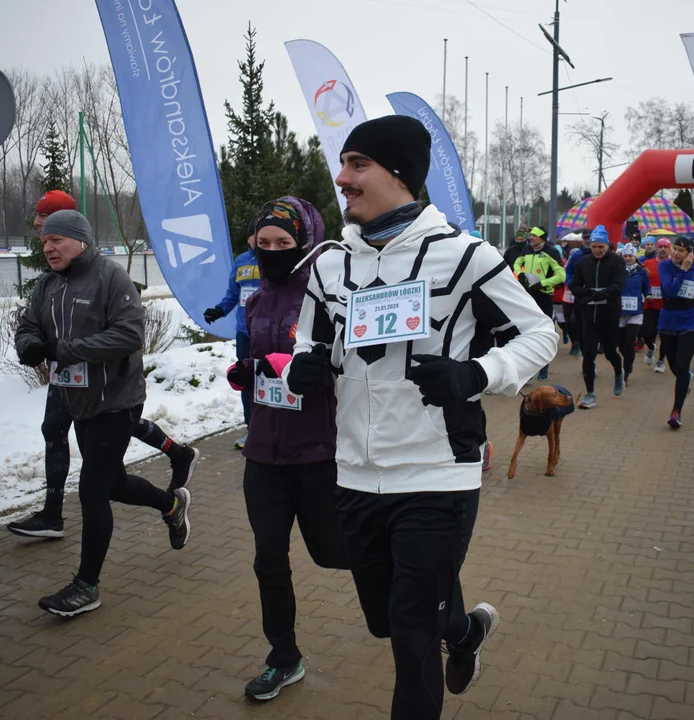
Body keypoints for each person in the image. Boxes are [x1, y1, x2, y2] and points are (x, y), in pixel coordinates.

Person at [283, 115, 558, 720]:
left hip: (438, 470)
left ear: (399, 174)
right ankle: (463, 632)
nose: (342, 177)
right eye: (345, 163)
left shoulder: (462, 256)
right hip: (356, 470)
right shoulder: (329, 265)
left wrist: (475, 374)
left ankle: (441, 634)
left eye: (358, 164)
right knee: (388, 620)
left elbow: (541, 334)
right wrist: (302, 369)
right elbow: (308, 344)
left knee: (410, 632)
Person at [15, 209, 192, 616]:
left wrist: (67, 349)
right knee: (112, 484)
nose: (49, 247)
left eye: (56, 239)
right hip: (78, 400)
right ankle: (171, 505)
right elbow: (29, 325)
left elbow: (130, 334)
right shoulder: (47, 286)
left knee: (93, 491)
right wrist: (28, 344)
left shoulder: (111, 278)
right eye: (44, 241)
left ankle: (86, 586)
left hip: (118, 401)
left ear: (80, 240)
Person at [224, 197, 348, 700]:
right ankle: (284, 657)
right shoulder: (255, 302)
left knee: (333, 552)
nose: (272, 251)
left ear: (308, 243)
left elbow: (359, 367)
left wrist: (325, 370)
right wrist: (247, 372)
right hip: (265, 455)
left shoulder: (331, 295)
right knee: (268, 559)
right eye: (264, 242)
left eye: (285, 243)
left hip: (318, 453)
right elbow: (256, 361)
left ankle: (422, 597)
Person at [204, 219, 261, 449]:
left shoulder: (275, 261)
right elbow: (232, 294)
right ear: (249, 238)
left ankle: (274, 428)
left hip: (268, 333)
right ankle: (251, 430)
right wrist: (219, 310)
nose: (259, 239)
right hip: (244, 333)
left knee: (270, 380)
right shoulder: (241, 262)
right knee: (245, 381)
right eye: (255, 235)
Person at [569, 224, 627, 409]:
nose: (597, 250)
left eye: (600, 247)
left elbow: (618, 286)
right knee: (588, 353)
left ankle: (618, 372)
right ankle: (590, 394)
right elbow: (574, 285)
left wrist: (598, 295)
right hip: (588, 315)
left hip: (609, 314)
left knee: (610, 352)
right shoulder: (583, 262)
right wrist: (586, 295)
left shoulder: (617, 262)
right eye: (594, 247)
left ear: (608, 246)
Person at [658, 235, 694, 429]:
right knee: (675, 368)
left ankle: (676, 411)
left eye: (681, 250)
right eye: (675, 249)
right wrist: (683, 270)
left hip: (690, 322)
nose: (677, 253)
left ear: (690, 253)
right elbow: (670, 291)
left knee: (682, 364)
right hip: (669, 321)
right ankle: (686, 377)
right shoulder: (665, 267)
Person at [514, 226, 566, 380]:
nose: (531, 238)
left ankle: (544, 365)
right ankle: (529, 369)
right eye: (531, 236)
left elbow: (561, 275)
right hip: (528, 296)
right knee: (526, 332)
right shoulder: (527, 249)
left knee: (543, 333)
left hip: (544, 296)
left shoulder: (551, 252)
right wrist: (521, 274)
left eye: (535, 236)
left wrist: (543, 283)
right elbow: (517, 263)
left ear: (543, 238)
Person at [618, 243, 650, 387]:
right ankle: (628, 360)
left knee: (630, 341)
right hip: (621, 311)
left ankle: (626, 371)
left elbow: (646, 287)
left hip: (636, 311)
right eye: (625, 256)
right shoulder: (618, 270)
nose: (628, 258)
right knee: (621, 344)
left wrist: (648, 295)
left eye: (630, 256)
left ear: (635, 257)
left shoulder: (641, 271)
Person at [641, 238, 671, 371]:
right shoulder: (648, 263)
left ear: (669, 249)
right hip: (650, 304)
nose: (663, 249)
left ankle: (660, 361)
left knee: (665, 335)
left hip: (667, 305)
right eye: (661, 247)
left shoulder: (673, 264)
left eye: (665, 247)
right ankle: (651, 347)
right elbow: (642, 281)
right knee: (646, 332)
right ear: (657, 249)